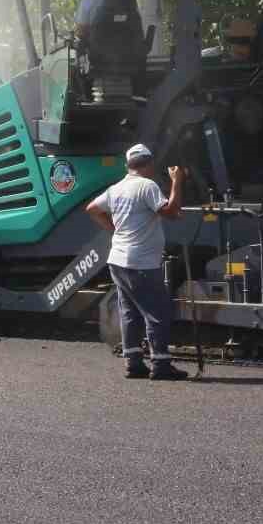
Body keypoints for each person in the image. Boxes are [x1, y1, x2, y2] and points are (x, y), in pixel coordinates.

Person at [85, 143, 189, 380]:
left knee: (130, 312)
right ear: (149, 164)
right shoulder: (147, 186)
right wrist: (177, 180)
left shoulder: (117, 188)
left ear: (128, 165)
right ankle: (161, 365)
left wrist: (113, 229)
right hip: (140, 263)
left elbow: (92, 209)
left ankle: (133, 363)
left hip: (118, 260)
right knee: (157, 312)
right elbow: (171, 212)